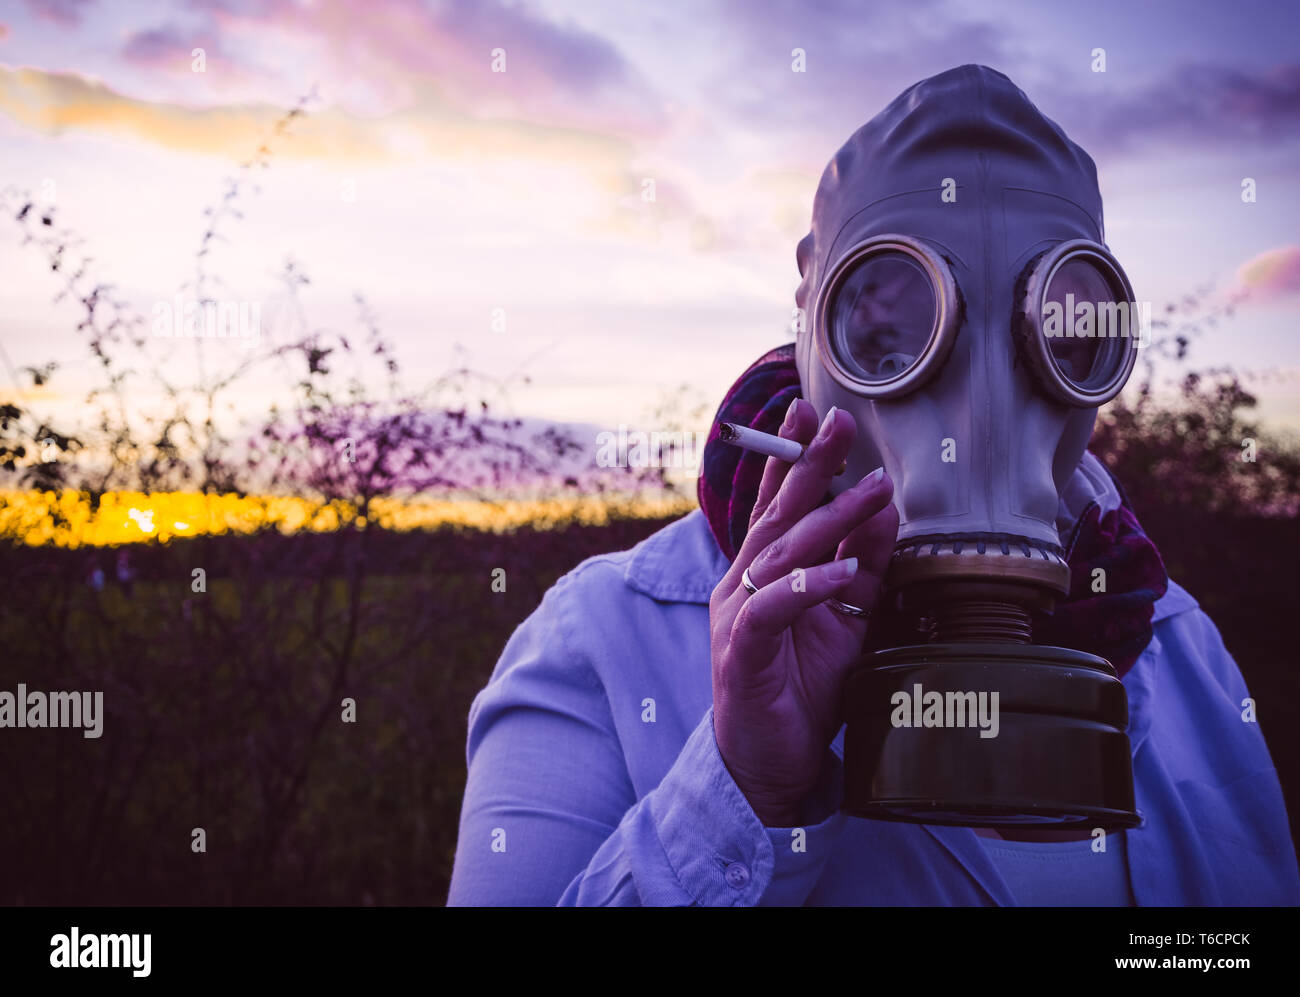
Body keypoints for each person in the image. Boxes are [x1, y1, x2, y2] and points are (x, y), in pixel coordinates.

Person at [446, 65, 1300, 906]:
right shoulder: (604, 640)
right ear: (812, 310)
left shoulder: (1180, 647)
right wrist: (741, 790)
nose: (984, 406)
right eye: (893, 340)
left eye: (1057, 339)